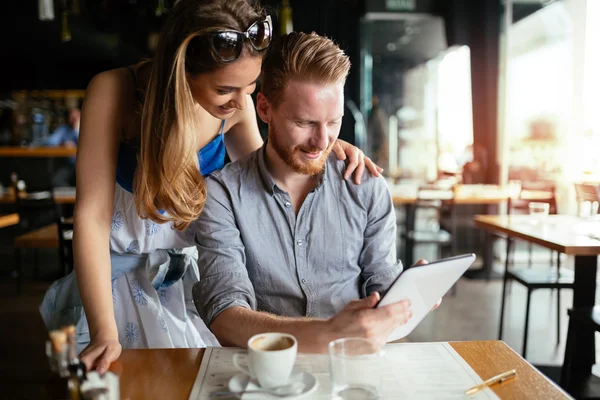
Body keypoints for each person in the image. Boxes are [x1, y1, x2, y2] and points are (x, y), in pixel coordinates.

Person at [39, 0, 381, 374]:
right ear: (181, 73)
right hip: (114, 291)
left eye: (251, 85)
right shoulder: (114, 92)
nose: (242, 101)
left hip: (188, 286)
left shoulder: (237, 108)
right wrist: (105, 332)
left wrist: (324, 146)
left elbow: (267, 182)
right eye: (225, 89)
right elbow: (90, 218)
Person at [193, 32, 438, 353]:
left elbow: (383, 293)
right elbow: (225, 315)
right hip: (265, 369)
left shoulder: (367, 186)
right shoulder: (222, 193)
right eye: (305, 122)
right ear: (265, 109)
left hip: (354, 368)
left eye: (333, 122)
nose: (322, 141)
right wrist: (328, 333)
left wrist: (408, 300)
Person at [45, 107, 80, 186]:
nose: (74, 119)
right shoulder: (64, 129)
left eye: (77, 117)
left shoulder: (86, 129)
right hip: (70, 165)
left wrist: (76, 130)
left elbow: (86, 144)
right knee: (56, 181)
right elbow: (50, 142)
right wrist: (62, 144)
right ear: (68, 118)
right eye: (72, 117)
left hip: (85, 166)